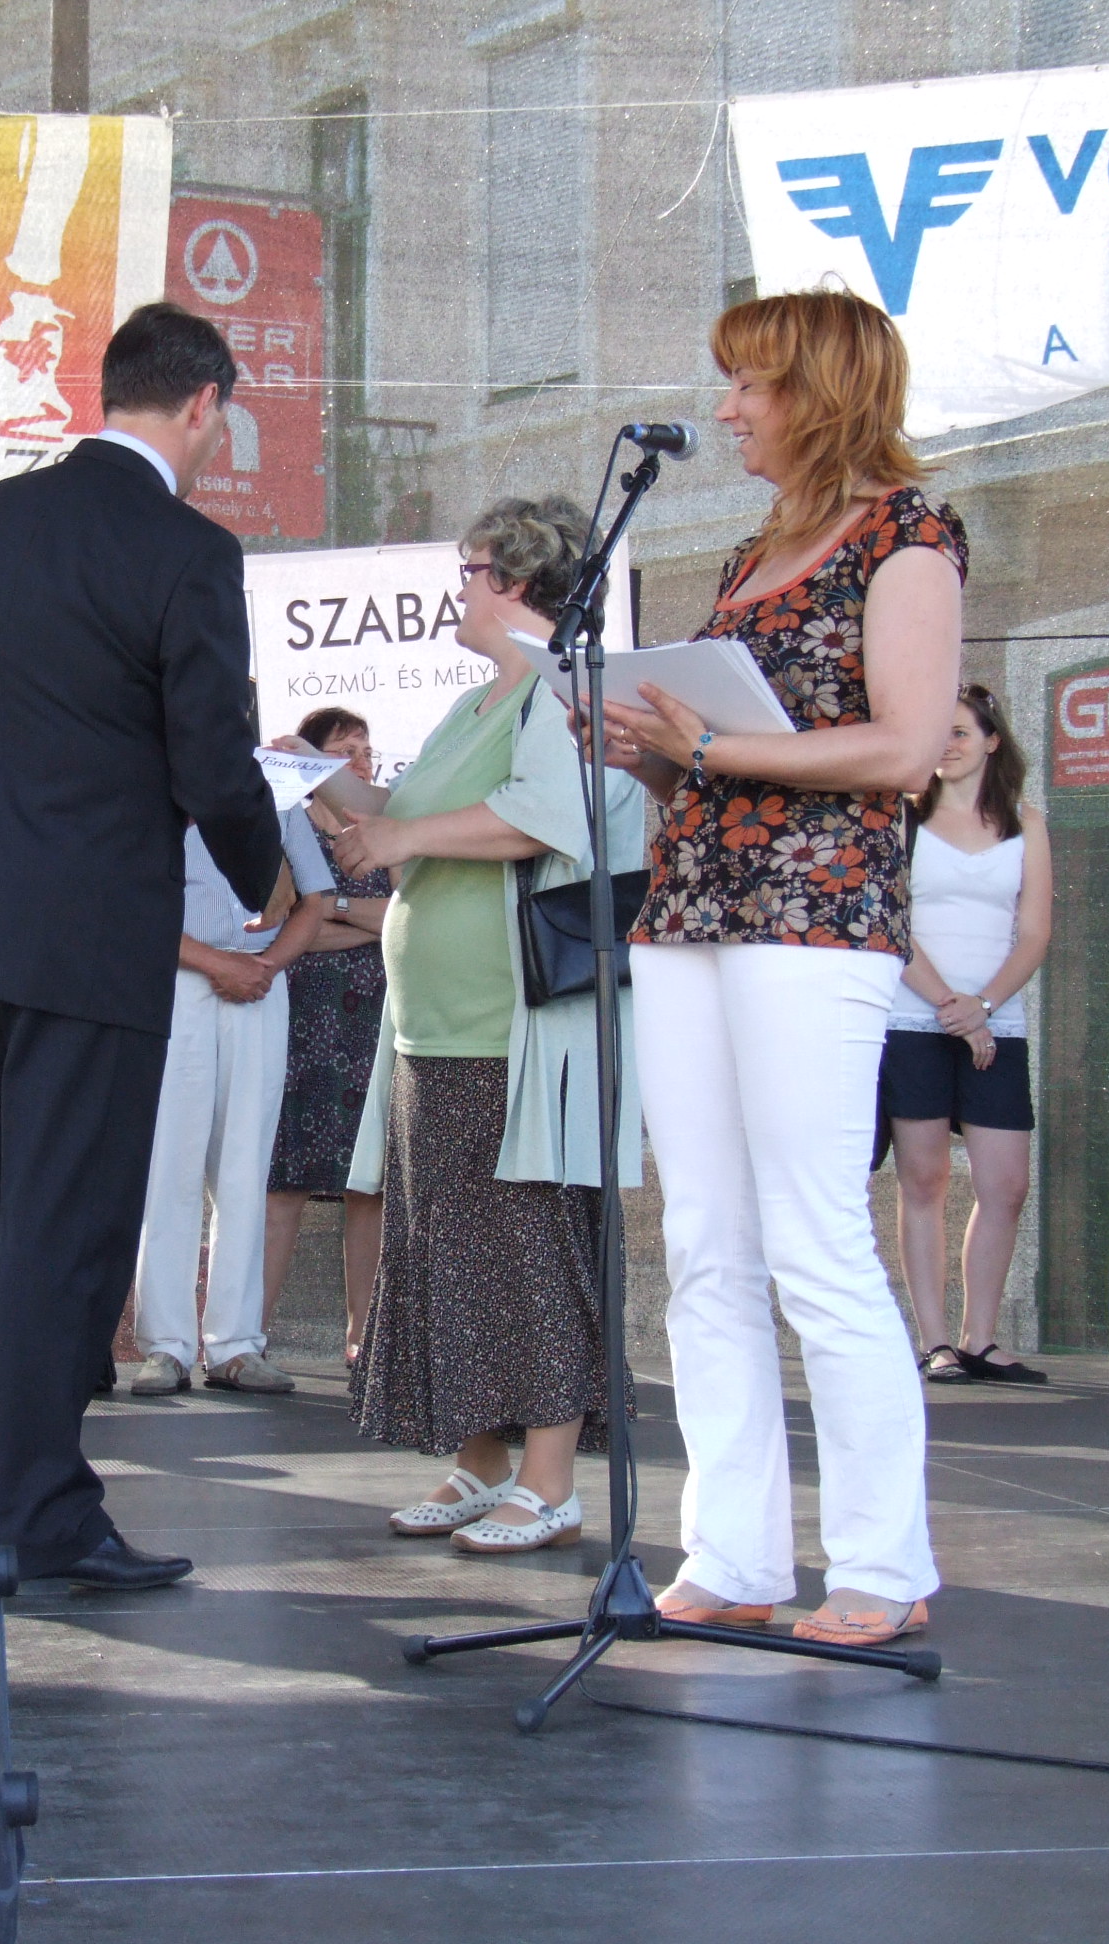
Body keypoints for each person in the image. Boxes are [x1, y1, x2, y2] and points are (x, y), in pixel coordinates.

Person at [594, 290, 961, 1645]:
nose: (729, 408)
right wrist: (647, 746)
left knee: (815, 1240)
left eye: (751, 385)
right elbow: (723, 755)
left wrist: (711, 748)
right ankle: (735, 1551)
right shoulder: (752, 551)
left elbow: (904, 748)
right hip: (692, 906)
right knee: (704, 1246)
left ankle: (881, 1564)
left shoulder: (909, 537)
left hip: (815, 915)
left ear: (818, 391)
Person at [0, 302, 285, 1591]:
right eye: (223, 417)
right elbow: (211, 755)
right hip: (90, 932)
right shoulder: (189, 549)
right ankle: (47, 1513)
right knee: (64, 1226)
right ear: (202, 404)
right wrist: (270, 874)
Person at [309, 495, 644, 1556]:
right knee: (452, 1248)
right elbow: (405, 820)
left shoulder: (558, 691)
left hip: (509, 1023)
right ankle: (483, 1459)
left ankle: (550, 1482)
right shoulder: (476, 702)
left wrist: (399, 835)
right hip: (434, 1025)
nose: (456, 589)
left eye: (468, 569)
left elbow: (537, 820)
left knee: (522, 1245)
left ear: (512, 579)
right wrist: (314, 778)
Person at [881, 684, 1052, 1386]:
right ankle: (934, 1340)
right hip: (913, 1018)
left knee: (1005, 1184)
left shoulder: (1026, 823)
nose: (947, 744)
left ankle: (981, 1337)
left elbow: (1034, 933)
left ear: (992, 741)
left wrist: (982, 1007)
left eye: (960, 732)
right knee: (923, 1179)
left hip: (996, 1021)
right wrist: (950, 1005)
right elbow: (890, 921)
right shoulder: (901, 817)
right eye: (938, 732)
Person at [129, 808, 330, 1397]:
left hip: (260, 987)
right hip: (176, 981)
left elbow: (315, 900)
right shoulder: (154, 792)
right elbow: (132, 902)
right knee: (170, 1169)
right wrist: (219, 964)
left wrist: (264, 966)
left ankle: (236, 1345)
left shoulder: (279, 794)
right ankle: (165, 1346)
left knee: (245, 1171)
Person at [263, 708, 390, 1365]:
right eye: (345, 750)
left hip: (375, 1023)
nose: (362, 762)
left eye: (367, 750)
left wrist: (331, 907)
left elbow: (400, 915)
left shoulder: (386, 833)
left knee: (368, 1185)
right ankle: (245, 1335)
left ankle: (362, 1336)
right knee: (283, 1180)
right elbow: (287, 925)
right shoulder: (288, 826)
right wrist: (348, 921)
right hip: (302, 1022)